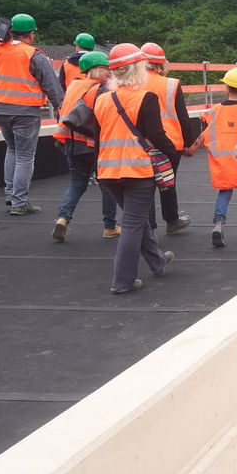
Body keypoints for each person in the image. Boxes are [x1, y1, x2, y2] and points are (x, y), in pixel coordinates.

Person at [94, 44, 175, 294]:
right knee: (132, 225)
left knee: (134, 220)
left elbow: (98, 136)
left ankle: (157, 261)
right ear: (139, 68)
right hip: (137, 170)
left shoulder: (102, 99)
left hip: (108, 172)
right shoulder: (145, 98)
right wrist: (175, 151)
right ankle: (122, 281)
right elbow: (157, 136)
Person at [0, 13, 64, 215]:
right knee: (25, 156)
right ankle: (20, 202)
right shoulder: (34, 55)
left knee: (12, 150)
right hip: (25, 110)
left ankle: (11, 195)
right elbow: (52, 86)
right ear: (32, 34)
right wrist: (61, 109)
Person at [52, 50, 120, 241]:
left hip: (71, 144)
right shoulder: (102, 90)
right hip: (94, 146)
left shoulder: (74, 86)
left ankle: (63, 218)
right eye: (107, 71)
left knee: (77, 183)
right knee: (107, 186)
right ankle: (110, 227)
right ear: (97, 70)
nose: (109, 74)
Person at [141, 42, 202, 234]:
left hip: (141, 144)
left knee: (145, 187)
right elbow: (183, 117)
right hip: (169, 144)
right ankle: (172, 220)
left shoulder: (132, 84)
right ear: (161, 64)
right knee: (168, 182)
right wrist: (188, 144)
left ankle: (148, 227)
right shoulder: (171, 84)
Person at [204, 66, 237, 248]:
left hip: (222, 162)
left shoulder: (214, 111)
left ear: (226, 87)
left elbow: (204, 134)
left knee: (224, 192)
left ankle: (219, 223)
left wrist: (189, 149)